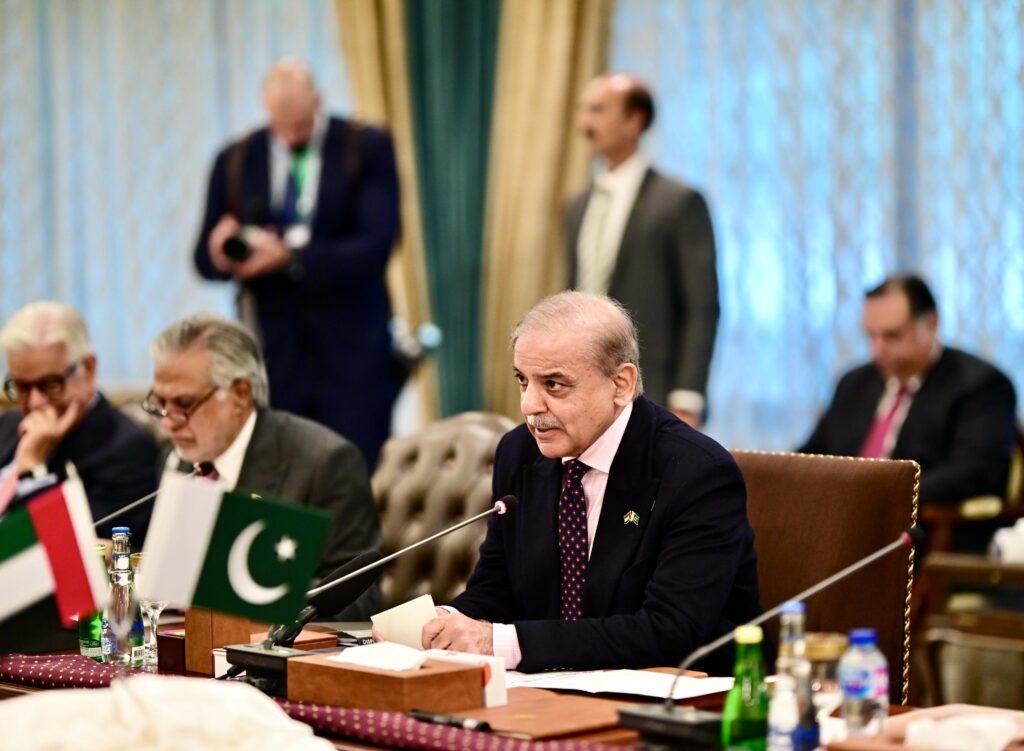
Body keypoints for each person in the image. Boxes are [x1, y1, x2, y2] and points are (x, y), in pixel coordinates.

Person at [416, 291, 760, 674]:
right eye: (523, 381)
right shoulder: (519, 452)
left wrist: (500, 643)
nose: (529, 405)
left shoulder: (696, 472)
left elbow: (671, 630)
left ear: (620, 384)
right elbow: (499, 587)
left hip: (676, 694)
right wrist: (443, 623)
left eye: (554, 385)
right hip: (548, 689)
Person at [193, 57, 401, 470]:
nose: (291, 137)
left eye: (301, 126)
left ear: (319, 102)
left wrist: (292, 259)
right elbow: (202, 260)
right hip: (275, 354)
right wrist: (222, 252)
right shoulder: (236, 158)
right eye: (281, 126)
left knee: (353, 472)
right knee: (282, 475)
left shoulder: (364, 147)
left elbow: (376, 247)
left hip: (352, 353)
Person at [145, 314, 382, 619]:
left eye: (184, 404)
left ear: (240, 394)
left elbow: (358, 601)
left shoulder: (326, 462)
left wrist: (236, 590)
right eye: (160, 402)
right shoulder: (176, 459)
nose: (168, 423)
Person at [565, 73, 719, 429]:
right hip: (585, 394)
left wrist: (688, 396)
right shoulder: (577, 208)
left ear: (634, 121)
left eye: (598, 110)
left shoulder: (679, 202)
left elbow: (702, 306)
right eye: (583, 110)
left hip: (655, 393)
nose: (584, 123)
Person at [800, 274, 1017, 505]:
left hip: (918, 520)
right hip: (840, 515)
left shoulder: (980, 385)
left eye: (892, 336)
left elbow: (975, 474)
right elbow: (811, 456)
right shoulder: (854, 383)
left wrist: (879, 495)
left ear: (931, 323)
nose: (877, 350)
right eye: (871, 336)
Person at [0, 301, 159, 540]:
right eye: (22, 386)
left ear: (88, 368)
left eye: (50, 384)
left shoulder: (128, 450)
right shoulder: (9, 425)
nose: (34, 403)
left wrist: (33, 470)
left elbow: (75, 549)